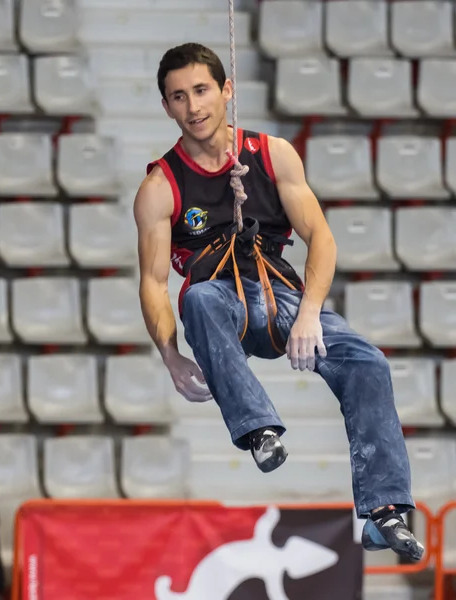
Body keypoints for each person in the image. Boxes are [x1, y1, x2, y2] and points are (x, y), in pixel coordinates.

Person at [133, 42, 424, 562]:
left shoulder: (272, 154)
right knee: (197, 299)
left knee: (369, 363)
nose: (193, 106)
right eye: (178, 97)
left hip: (282, 295)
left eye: (201, 90)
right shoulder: (160, 187)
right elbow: (154, 283)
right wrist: (170, 356)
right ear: (166, 107)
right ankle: (259, 431)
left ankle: (384, 513)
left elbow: (322, 237)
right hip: (222, 303)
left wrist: (310, 311)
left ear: (227, 90)